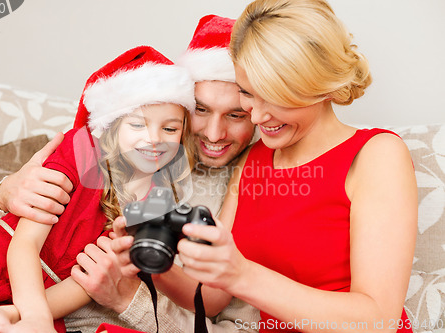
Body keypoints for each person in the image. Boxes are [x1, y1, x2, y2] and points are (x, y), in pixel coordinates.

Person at [0, 15, 260, 333]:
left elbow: (234, 325)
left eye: (236, 115)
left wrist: (130, 300)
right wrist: (6, 192)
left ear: (258, 113)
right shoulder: (134, 153)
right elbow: (32, 226)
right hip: (27, 299)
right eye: (201, 110)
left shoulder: (251, 189)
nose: (214, 134)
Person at [173, 0, 418, 332]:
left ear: (320, 86)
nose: (257, 117)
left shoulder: (376, 155)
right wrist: (143, 260)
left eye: (274, 97)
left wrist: (244, 275)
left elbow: (379, 320)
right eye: (247, 94)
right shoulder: (254, 160)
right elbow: (213, 296)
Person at [0, 45, 196, 333]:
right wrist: (34, 316)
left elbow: (85, 283)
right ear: (113, 125)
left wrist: (19, 315)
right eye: (138, 124)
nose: (154, 140)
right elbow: (25, 244)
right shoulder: (81, 150)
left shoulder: (158, 205)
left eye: (170, 129)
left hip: (47, 299)